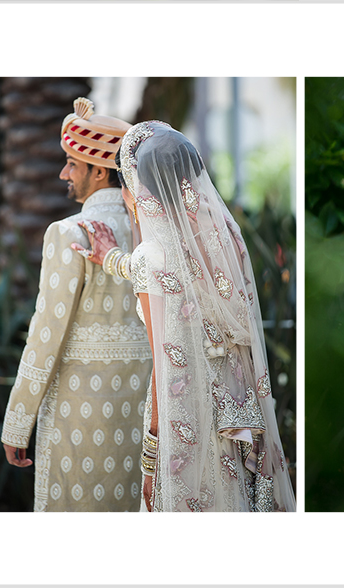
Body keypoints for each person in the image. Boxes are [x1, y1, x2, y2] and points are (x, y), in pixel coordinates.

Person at [73, 120, 295, 511]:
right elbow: (174, 277)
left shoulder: (151, 257)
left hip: (184, 417)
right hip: (236, 408)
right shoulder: (221, 241)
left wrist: (152, 453)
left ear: (137, 192)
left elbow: (163, 364)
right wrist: (114, 260)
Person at [0, 98, 152, 511]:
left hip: (76, 415)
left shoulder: (69, 232)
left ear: (99, 170)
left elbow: (45, 334)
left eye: (72, 163)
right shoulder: (151, 232)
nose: (63, 173)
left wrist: (17, 424)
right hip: (139, 411)